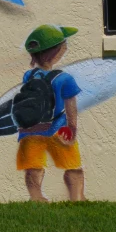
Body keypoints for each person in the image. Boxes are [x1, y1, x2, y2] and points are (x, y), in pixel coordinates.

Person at [17, 25, 85, 202]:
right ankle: (76, 197)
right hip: (58, 128)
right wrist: (73, 129)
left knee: (33, 166)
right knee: (72, 166)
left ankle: (36, 197)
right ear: (57, 52)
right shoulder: (64, 78)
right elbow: (71, 106)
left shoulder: (28, 76)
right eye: (64, 45)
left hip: (30, 129)